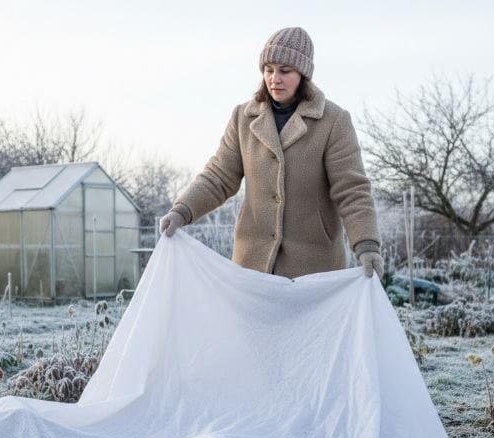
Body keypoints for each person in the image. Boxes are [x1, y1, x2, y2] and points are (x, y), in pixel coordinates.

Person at [159, 27, 383, 280]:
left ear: (303, 75)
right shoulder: (243, 118)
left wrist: (367, 244)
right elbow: (219, 176)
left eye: (285, 71)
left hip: (313, 271)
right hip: (252, 267)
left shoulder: (333, 121)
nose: (275, 78)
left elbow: (351, 189)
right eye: (268, 70)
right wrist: (182, 210)